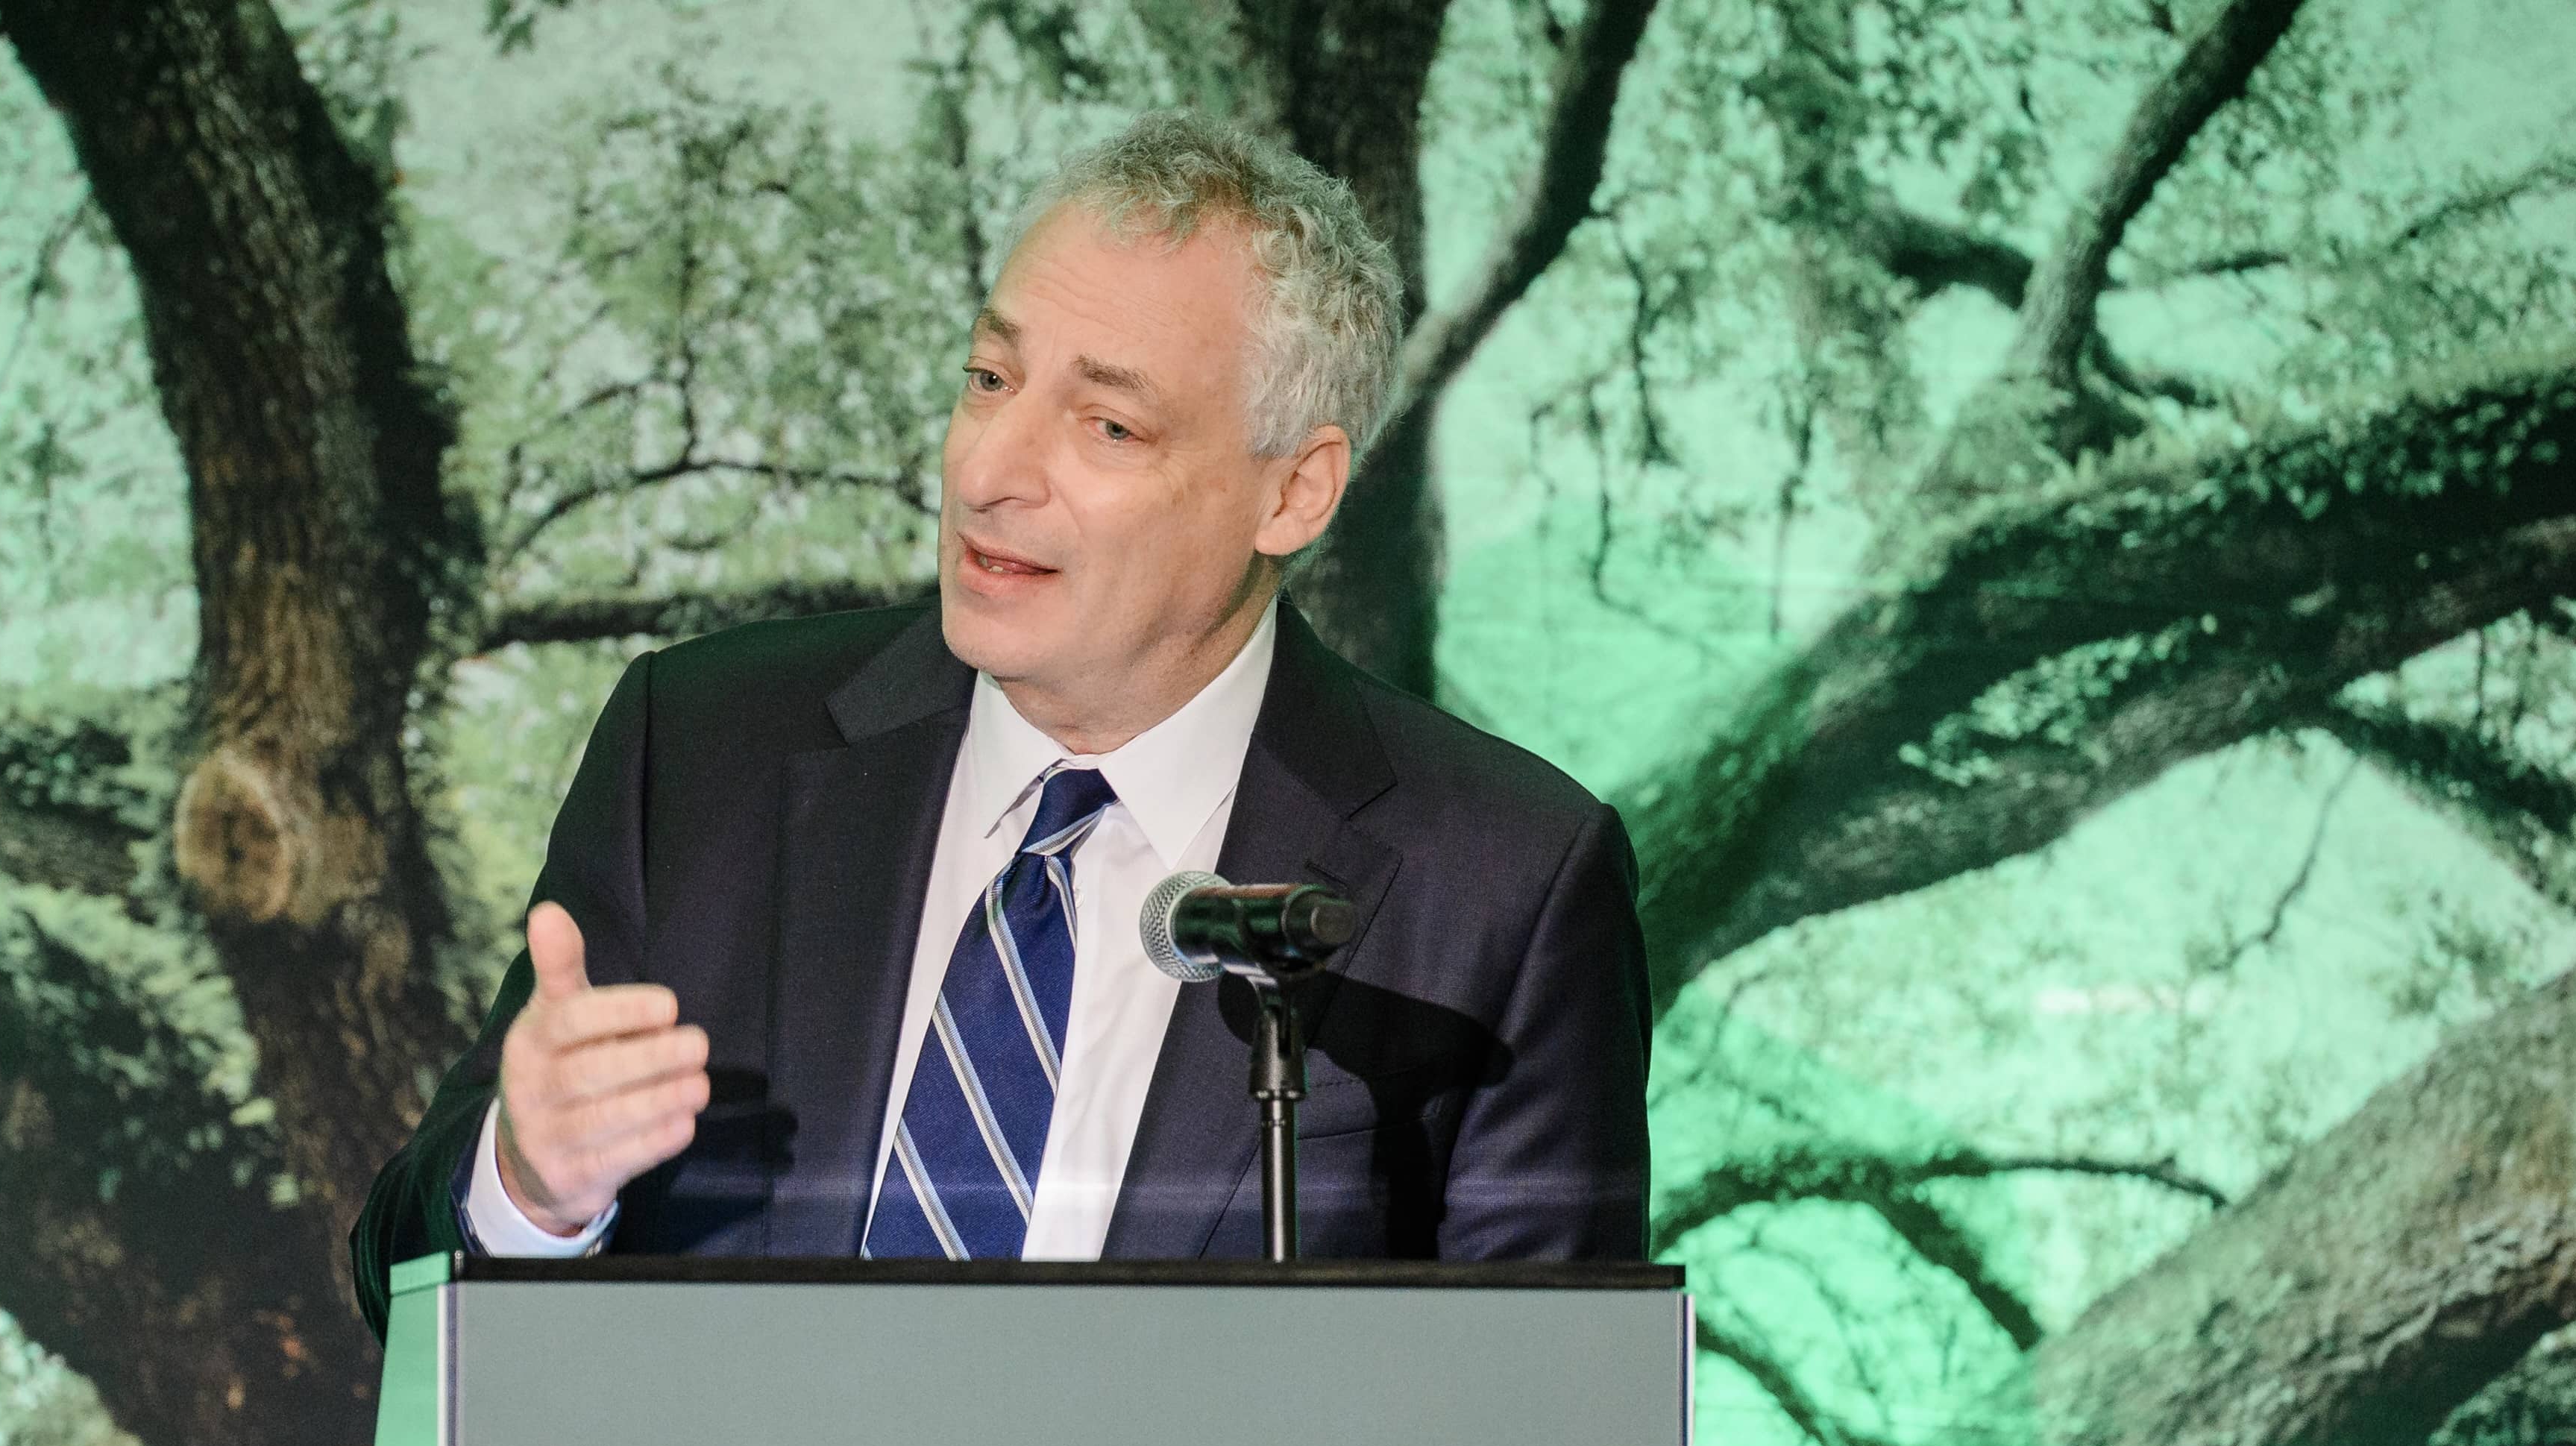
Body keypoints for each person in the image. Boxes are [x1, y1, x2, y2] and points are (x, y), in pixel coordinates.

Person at [351, 111, 1648, 1334]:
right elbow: (396, 1273)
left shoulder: (1501, 886)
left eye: (1105, 424)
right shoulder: (699, 751)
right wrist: (527, 1187)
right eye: (988, 377)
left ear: (1293, 493)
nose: (987, 471)